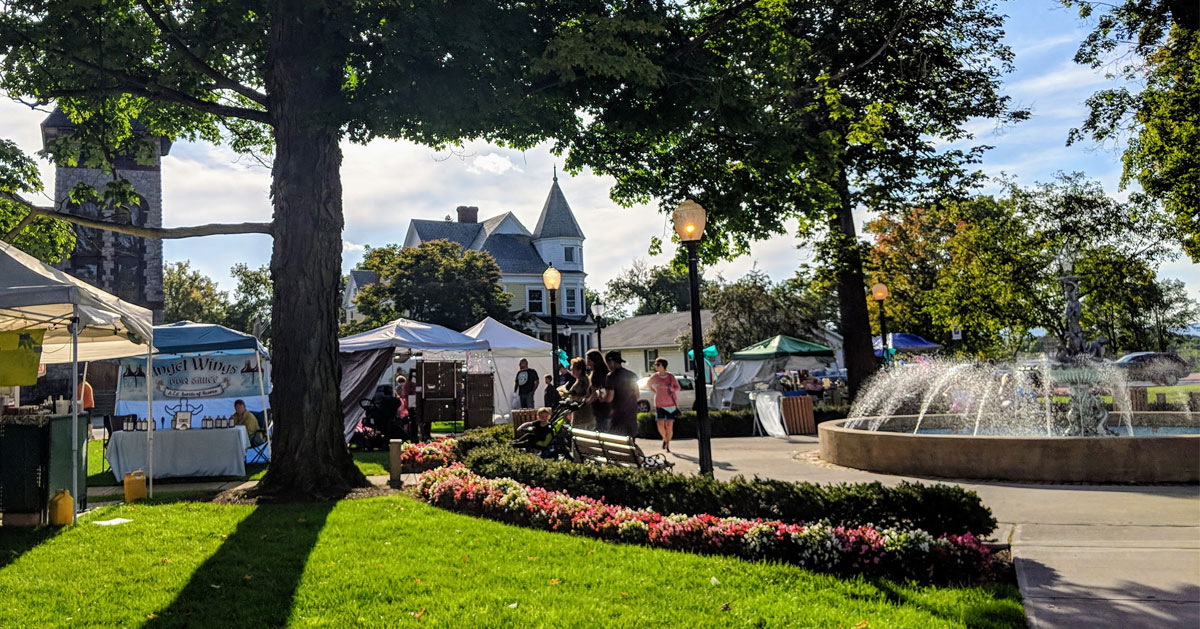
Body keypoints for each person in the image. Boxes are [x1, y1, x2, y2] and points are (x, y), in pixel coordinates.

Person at [648, 357, 681, 451]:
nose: (656, 366)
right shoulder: (654, 376)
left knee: (669, 425)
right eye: (655, 365)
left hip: (670, 404)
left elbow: (678, 388)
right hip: (659, 403)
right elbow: (648, 384)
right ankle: (665, 439)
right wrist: (654, 390)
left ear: (663, 366)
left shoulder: (670, 377)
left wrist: (672, 389)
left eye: (658, 365)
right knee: (660, 424)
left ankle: (668, 444)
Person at [605, 350, 640, 437]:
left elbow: (610, 397)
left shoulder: (611, 376)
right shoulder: (632, 375)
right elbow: (637, 395)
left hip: (618, 415)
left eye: (608, 363)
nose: (608, 366)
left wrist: (602, 397)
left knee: (617, 440)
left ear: (612, 362)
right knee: (630, 440)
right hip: (631, 413)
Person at [584, 349, 611, 431]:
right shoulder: (606, 373)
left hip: (601, 410)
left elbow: (595, 393)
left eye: (589, 360)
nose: (587, 363)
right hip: (608, 409)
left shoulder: (596, 374)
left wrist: (587, 401)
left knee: (601, 433)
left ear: (595, 361)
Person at [565, 358, 595, 429]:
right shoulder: (584, 380)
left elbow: (576, 395)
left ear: (580, 370)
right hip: (586, 417)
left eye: (573, 369)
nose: (571, 371)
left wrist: (572, 397)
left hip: (582, 418)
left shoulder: (582, 382)